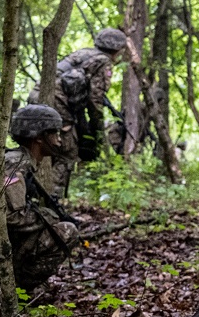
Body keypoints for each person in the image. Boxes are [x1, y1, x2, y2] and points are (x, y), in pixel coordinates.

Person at [28, 27, 128, 197]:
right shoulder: (103, 61)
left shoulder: (84, 54)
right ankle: (52, 201)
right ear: (118, 49)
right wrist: (96, 129)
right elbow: (95, 99)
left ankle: (33, 196)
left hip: (36, 98)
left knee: (40, 149)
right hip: (57, 104)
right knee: (66, 152)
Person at [4, 104, 80, 291]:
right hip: (2, 247)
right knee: (67, 232)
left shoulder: (21, 161)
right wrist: (49, 217)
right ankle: (17, 289)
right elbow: (11, 217)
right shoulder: (16, 164)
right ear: (39, 138)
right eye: (54, 134)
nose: (59, 141)